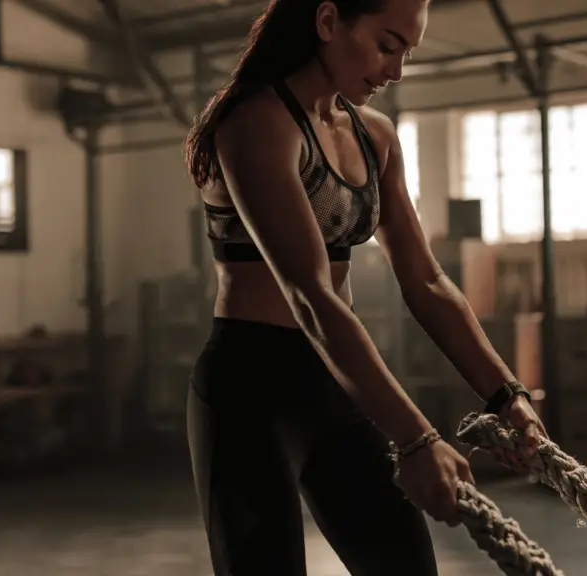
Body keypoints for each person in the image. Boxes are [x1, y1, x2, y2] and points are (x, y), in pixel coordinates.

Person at [181, 0, 547, 574]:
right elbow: (312, 297)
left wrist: (509, 397)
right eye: (387, 45)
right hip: (248, 391)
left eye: (407, 51)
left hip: (334, 384)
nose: (396, 70)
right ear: (328, 23)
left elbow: (426, 280)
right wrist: (419, 439)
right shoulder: (256, 123)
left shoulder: (375, 136)